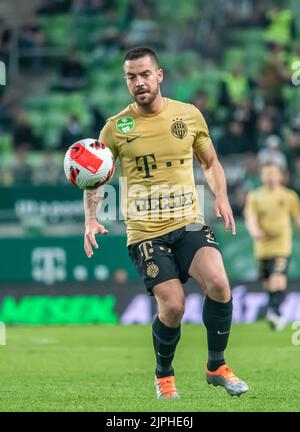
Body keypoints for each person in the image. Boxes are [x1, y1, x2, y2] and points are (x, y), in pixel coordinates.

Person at [83, 47, 249, 399]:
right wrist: (91, 219)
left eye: (145, 74)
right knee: (173, 306)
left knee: (219, 282)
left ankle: (216, 366)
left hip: (188, 221)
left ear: (160, 75)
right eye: (131, 77)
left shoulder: (188, 115)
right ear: (126, 81)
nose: (139, 82)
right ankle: (164, 375)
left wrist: (220, 196)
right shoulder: (115, 128)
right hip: (145, 231)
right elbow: (94, 177)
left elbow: (210, 161)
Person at [244, 162, 300, 331]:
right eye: (267, 173)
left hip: (282, 245)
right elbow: (250, 218)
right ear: (262, 176)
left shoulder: (289, 196)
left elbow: (297, 218)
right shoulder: (254, 196)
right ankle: (275, 310)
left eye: (274, 173)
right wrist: (255, 232)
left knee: (278, 276)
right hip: (262, 247)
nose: (270, 176)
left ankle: (275, 313)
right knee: (268, 283)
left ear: (281, 176)